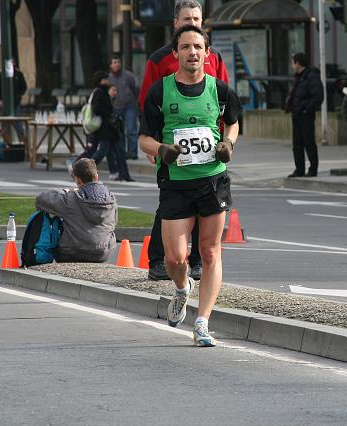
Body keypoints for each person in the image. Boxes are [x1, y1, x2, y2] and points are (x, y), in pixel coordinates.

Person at [138, 25, 242, 347]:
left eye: (198, 46)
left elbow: (234, 121)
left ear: (207, 53)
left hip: (213, 181)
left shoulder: (221, 90)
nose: (192, 52)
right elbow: (143, 138)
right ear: (176, 53)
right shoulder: (160, 92)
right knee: (175, 258)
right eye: (186, 47)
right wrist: (161, 150)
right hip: (176, 184)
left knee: (210, 252)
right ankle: (183, 289)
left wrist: (228, 143)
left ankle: (202, 322)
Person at [138, 0, 229, 281]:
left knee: (207, 203)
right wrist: (155, 146)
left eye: (197, 18)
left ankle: (199, 261)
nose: (193, 22)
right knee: (170, 207)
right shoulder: (160, 59)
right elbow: (147, 102)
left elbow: (223, 99)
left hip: (208, 148)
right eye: (187, 18)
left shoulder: (213, 57)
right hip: (171, 146)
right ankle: (158, 260)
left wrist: (226, 140)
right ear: (175, 23)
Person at [35, 158, 117, 263]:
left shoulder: (70, 198)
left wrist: (65, 191)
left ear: (77, 179)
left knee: (51, 216)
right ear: (96, 177)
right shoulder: (111, 198)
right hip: (102, 253)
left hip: (71, 253)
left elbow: (41, 200)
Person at [89, 71, 133, 182]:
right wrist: (109, 113)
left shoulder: (103, 91)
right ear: (101, 80)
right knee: (103, 151)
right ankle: (85, 170)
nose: (107, 81)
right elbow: (97, 109)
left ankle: (124, 174)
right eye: (105, 79)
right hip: (105, 128)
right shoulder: (99, 92)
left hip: (110, 128)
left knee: (119, 151)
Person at [285, 53, 324, 178]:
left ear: (298, 63)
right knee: (297, 144)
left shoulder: (311, 76)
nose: (292, 66)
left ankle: (313, 169)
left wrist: (306, 109)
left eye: (293, 63)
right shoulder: (299, 77)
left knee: (309, 142)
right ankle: (299, 169)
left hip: (305, 115)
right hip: (297, 114)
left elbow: (318, 97)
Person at [108, 55, 140, 160]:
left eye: (118, 62)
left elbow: (136, 89)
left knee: (131, 130)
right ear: (111, 65)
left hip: (129, 106)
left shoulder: (128, 76)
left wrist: (136, 102)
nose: (117, 64)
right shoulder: (109, 78)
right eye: (114, 62)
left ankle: (133, 152)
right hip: (116, 107)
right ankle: (122, 152)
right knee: (120, 131)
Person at [0, 59, 27, 140]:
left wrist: (19, 95)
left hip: (16, 102)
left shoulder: (18, 74)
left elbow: (23, 86)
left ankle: (22, 140)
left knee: (17, 122)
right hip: (4, 102)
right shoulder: (0, 74)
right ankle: (6, 141)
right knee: (5, 123)